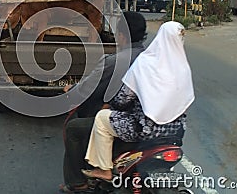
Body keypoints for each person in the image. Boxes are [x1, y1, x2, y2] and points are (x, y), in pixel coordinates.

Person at [81, 21, 195, 182]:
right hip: (175, 132)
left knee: (101, 118)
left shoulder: (146, 62)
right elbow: (185, 101)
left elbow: (123, 99)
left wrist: (111, 105)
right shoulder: (183, 68)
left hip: (144, 130)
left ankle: (104, 169)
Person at [60, 12, 147, 193]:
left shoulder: (114, 62)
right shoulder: (152, 59)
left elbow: (87, 88)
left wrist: (72, 91)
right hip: (158, 127)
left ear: (122, 36)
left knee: (74, 128)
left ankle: (78, 183)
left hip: (131, 122)